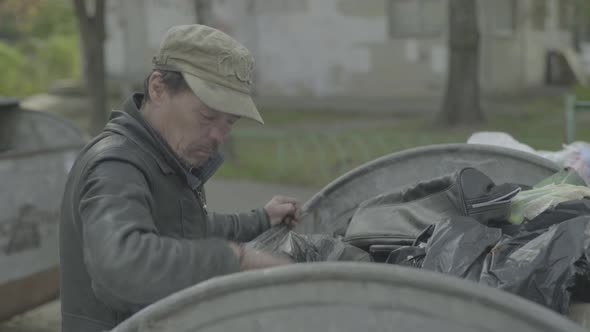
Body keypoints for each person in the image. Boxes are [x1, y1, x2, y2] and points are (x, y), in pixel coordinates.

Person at [59, 24, 301, 332]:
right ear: (159, 88)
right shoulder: (115, 163)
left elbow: (183, 227)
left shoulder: (160, 157)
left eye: (229, 123)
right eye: (207, 116)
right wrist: (236, 260)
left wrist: (262, 218)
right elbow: (121, 264)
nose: (218, 136)